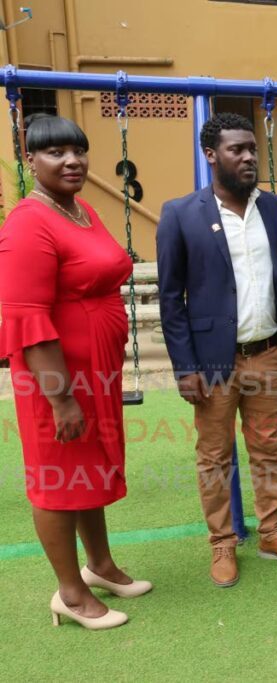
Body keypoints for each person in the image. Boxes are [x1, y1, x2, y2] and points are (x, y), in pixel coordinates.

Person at [0, 115, 152, 630]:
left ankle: (100, 566)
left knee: (90, 468)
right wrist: (60, 399)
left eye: (78, 151)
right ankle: (69, 593)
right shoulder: (27, 223)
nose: (71, 161)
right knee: (58, 478)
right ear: (31, 161)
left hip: (96, 370)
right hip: (56, 379)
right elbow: (25, 319)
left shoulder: (80, 208)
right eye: (55, 152)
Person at [156, 112, 277, 587]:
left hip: (266, 351)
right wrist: (185, 367)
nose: (248, 157)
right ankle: (222, 543)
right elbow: (171, 298)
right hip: (211, 363)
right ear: (211, 155)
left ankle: (273, 532)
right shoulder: (180, 213)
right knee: (214, 456)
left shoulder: (274, 206)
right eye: (236, 150)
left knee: (267, 448)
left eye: (252, 148)